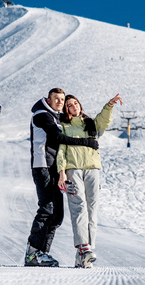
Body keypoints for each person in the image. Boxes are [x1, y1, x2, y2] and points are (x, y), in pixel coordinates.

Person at [25, 88, 99, 267]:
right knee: (47, 208)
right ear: (48, 100)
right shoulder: (41, 115)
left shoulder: (56, 116)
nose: (59, 102)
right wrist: (86, 142)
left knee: (57, 215)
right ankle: (32, 253)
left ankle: (42, 254)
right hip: (42, 166)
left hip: (55, 169)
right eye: (56, 99)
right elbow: (57, 137)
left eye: (62, 99)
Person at [57, 93, 122, 268]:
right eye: (69, 105)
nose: (73, 106)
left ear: (80, 105)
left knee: (92, 210)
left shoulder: (90, 124)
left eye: (75, 103)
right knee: (79, 208)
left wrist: (109, 105)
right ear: (66, 109)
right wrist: (61, 172)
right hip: (74, 170)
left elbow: (104, 121)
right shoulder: (65, 126)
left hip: (93, 169)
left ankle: (86, 253)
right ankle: (83, 248)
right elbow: (61, 150)